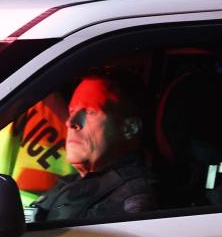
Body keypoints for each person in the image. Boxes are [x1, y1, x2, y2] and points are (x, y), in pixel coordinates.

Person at [31, 72, 157, 222]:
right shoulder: (74, 182)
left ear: (130, 128)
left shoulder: (131, 199)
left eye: (90, 112)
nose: (70, 122)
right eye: (72, 111)